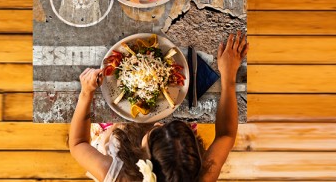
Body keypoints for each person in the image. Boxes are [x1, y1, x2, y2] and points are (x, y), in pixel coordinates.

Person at [69, 31, 249, 181]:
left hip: (118, 138)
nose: (159, 123)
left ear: (143, 161)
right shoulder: (200, 177)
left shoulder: (119, 176)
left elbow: (78, 144)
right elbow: (226, 135)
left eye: (156, 131)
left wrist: (86, 93)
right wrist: (229, 76)